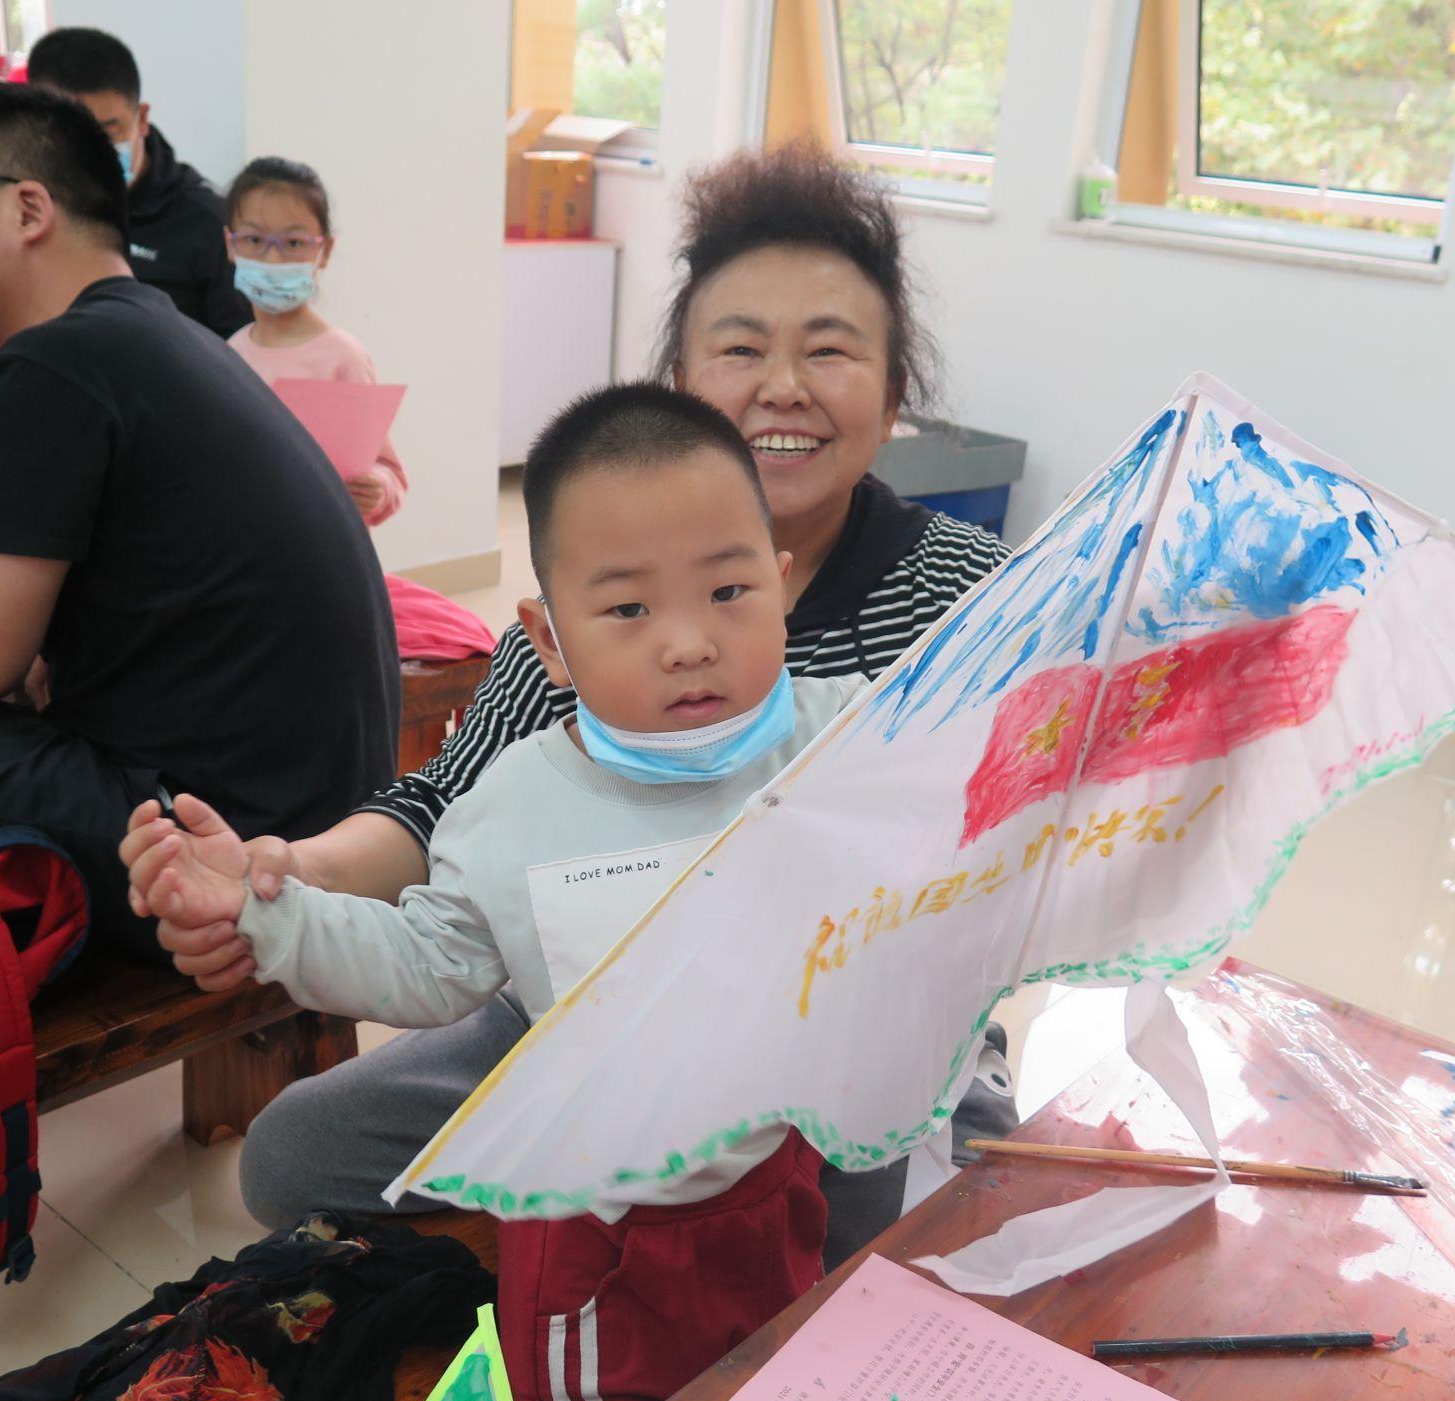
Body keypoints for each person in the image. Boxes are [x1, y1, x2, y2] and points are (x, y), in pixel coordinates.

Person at [162, 145, 1018, 1261]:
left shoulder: (963, 592)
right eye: (742, 347)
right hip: (589, 1001)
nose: (785, 386)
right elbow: (446, 810)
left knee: (959, 1218)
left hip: (861, 1026)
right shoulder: (582, 607)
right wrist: (287, 874)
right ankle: (601, 1243)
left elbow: (1032, 821)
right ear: (678, 383)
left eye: (832, 350)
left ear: (896, 391)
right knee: (291, 1158)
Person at [124, 384, 845, 1401]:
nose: (689, 643)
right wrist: (262, 911)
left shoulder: (842, 739)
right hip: (595, 1220)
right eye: (630, 609)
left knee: (768, 1386)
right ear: (549, 643)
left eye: (729, 591)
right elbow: (425, 959)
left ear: (781, 589)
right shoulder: (521, 805)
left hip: (776, 1181)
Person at [0, 83, 398, 963]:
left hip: (217, 849)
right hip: (327, 823)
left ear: (26, 208)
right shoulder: (171, 338)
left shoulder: (50, 363)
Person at [26, 27, 250, 338]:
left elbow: (242, 353)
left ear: (141, 119)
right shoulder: (25, 204)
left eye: (108, 131)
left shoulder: (209, 220)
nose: (89, 152)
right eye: (67, 135)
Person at [224, 157, 407, 525]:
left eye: (293, 242)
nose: (273, 258)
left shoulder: (342, 356)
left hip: (324, 546)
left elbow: (388, 472)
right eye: (255, 240)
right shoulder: (231, 352)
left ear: (324, 250)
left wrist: (377, 488)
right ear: (231, 244)